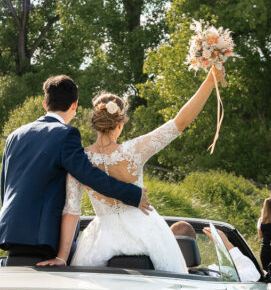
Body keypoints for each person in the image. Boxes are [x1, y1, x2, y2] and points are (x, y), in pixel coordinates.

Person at [58, 65, 223, 272]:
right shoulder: (134, 151)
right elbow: (180, 122)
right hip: (146, 234)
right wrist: (210, 81)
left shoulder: (79, 160)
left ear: (95, 123)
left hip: (101, 240)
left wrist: (61, 257)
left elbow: (71, 211)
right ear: (120, 124)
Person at [0, 75, 150, 266]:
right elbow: (89, 175)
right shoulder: (66, 134)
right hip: (44, 237)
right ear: (74, 105)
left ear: (45, 104)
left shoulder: (15, 135)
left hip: (9, 231)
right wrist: (133, 194)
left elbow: (5, 185)